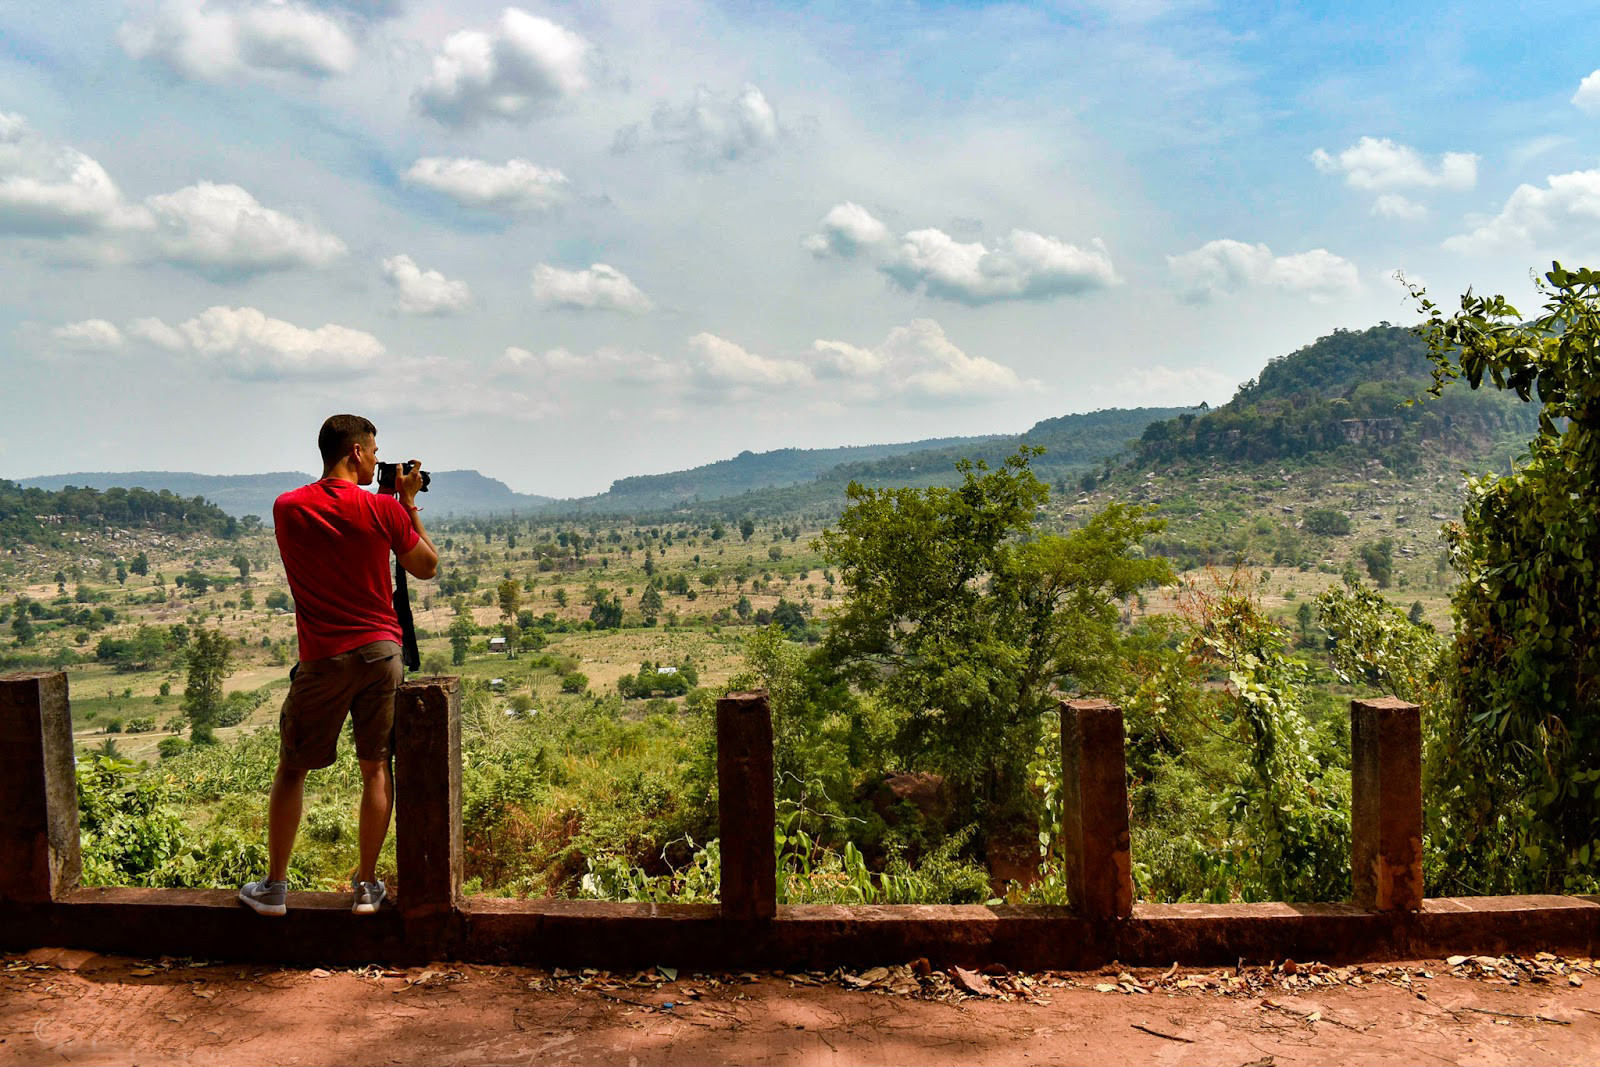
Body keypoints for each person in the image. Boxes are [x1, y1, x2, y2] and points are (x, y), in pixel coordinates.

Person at [239, 415, 438, 916]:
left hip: (322, 658)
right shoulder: (383, 510)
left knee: (292, 770)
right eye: (373, 451)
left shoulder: (287, 508)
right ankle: (367, 887)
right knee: (375, 770)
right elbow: (427, 566)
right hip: (379, 654)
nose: (377, 460)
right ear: (355, 451)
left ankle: (275, 888)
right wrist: (407, 501)